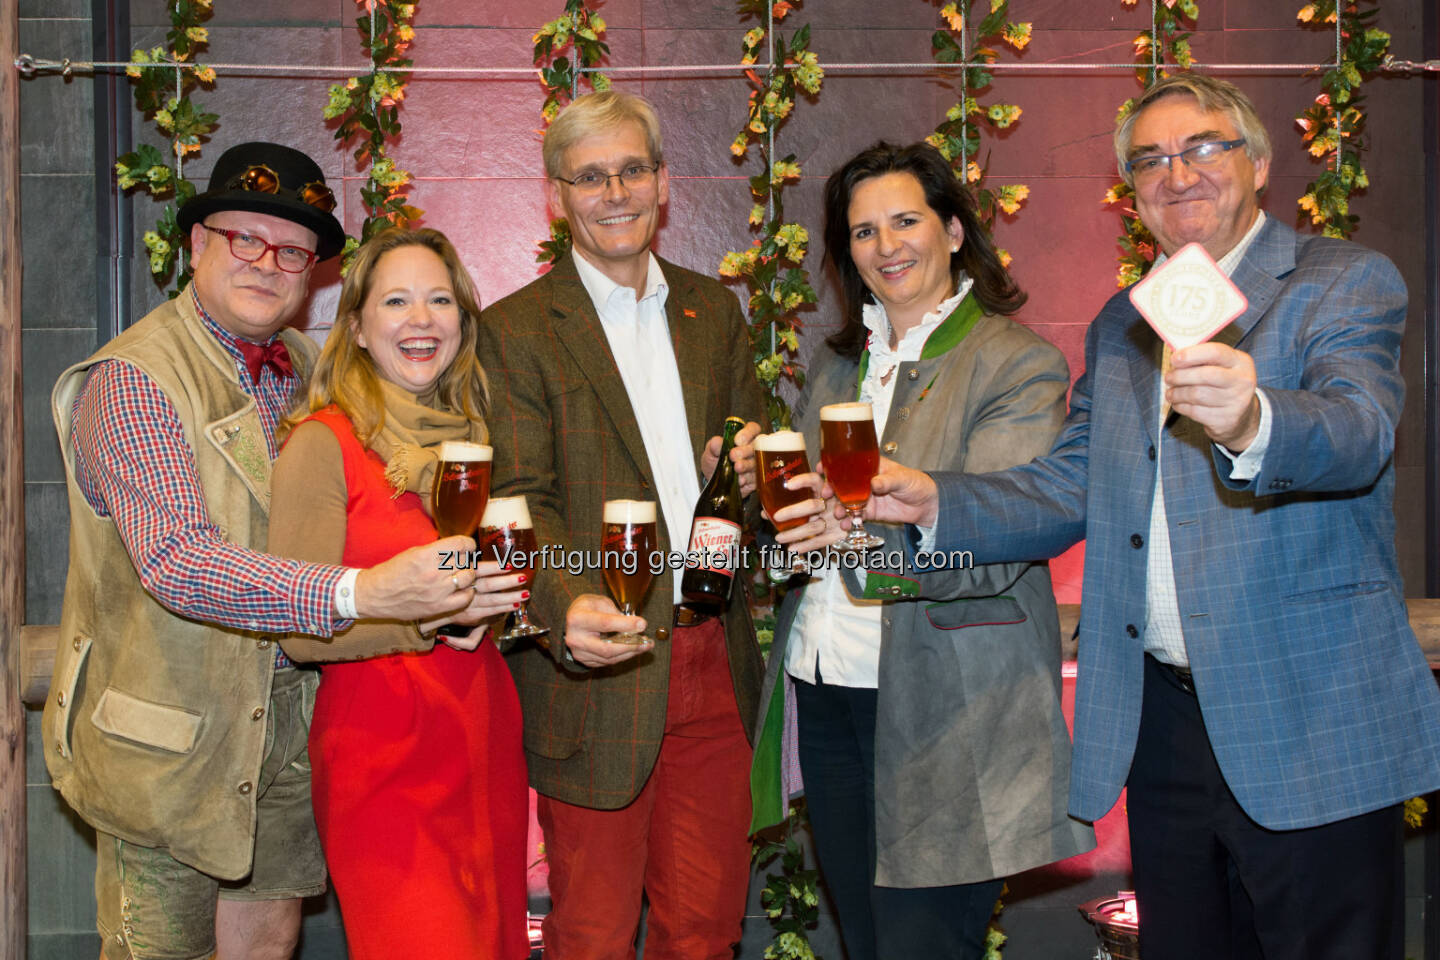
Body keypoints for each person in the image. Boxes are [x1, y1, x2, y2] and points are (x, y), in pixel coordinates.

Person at [861, 76, 1440, 959]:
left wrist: (1256, 419)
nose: (1178, 175)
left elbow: (1357, 432)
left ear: (1260, 162)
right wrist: (942, 500)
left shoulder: (1341, 282)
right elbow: (1067, 485)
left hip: (1310, 717)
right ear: (1132, 193)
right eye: (1149, 161)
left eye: (1204, 147)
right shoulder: (1124, 325)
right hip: (1162, 727)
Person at [44, 142, 491, 960]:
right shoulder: (136, 380)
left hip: (289, 727)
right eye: (243, 238)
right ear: (196, 244)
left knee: (264, 947)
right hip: (168, 740)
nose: (267, 263)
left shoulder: (314, 371)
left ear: (314, 273)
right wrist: (359, 595)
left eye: (292, 249)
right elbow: (179, 560)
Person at [748, 141, 1093, 960]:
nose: (886, 245)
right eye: (863, 232)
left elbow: (1004, 538)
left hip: (949, 706)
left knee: (924, 946)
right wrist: (771, 521)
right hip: (829, 685)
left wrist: (865, 538)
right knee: (867, 942)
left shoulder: (1016, 363)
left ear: (951, 229)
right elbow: (799, 535)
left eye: (905, 221)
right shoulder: (837, 368)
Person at [477, 90, 768, 957]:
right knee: (592, 934)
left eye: (632, 170)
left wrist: (748, 470)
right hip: (597, 669)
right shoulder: (516, 329)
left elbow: (744, 474)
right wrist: (565, 605)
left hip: (715, 659)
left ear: (664, 182)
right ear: (557, 195)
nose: (615, 193)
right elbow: (521, 497)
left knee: (705, 933)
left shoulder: (714, 313)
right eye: (590, 176)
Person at [265, 227, 530, 957]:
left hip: (483, 736)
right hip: (383, 751)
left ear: (462, 323)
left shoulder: (469, 448)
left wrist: (497, 614)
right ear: (355, 325)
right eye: (397, 300)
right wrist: (429, 621)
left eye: (440, 300)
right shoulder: (322, 444)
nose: (421, 319)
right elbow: (293, 626)